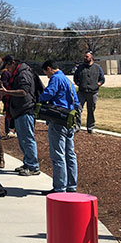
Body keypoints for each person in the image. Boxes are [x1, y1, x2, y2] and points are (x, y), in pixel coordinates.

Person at [39, 60, 79, 193]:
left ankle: (59, 187)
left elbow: (48, 94)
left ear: (49, 68)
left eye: (46, 73)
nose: (47, 76)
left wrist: (39, 98)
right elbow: (76, 101)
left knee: (58, 154)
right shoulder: (67, 79)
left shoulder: (55, 78)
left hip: (58, 118)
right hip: (70, 118)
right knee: (70, 154)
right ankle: (71, 185)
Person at [0, 55, 39, 176]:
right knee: (22, 140)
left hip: (26, 109)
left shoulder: (23, 74)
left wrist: (7, 92)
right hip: (19, 110)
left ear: (13, 63)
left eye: (8, 66)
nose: (7, 69)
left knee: (27, 139)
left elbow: (24, 91)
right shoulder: (18, 73)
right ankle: (27, 162)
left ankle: (33, 166)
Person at [73, 50, 105, 133]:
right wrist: (78, 83)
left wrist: (98, 84)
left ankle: (90, 127)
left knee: (91, 110)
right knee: (78, 109)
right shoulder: (80, 67)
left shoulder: (97, 67)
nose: (85, 58)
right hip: (82, 92)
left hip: (93, 92)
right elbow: (75, 77)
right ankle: (77, 126)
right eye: (85, 56)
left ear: (91, 57)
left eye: (87, 56)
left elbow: (102, 79)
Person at [0, 62, 16, 139]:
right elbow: (4, 84)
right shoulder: (5, 73)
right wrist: (11, 90)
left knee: (13, 113)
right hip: (8, 96)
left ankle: (14, 130)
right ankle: (8, 130)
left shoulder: (13, 73)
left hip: (13, 96)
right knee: (8, 113)